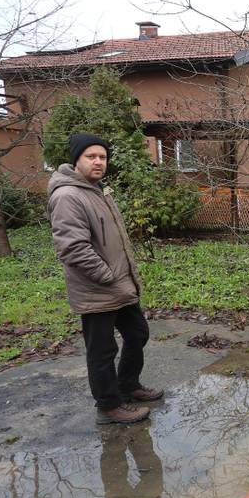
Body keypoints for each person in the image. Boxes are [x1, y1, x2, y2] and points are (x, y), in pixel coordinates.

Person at [47, 133, 163, 425]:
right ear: (76, 160)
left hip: (118, 286)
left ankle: (128, 385)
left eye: (103, 156)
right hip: (96, 290)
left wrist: (122, 277)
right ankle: (109, 406)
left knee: (138, 333)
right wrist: (107, 275)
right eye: (91, 156)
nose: (99, 162)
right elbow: (72, 248)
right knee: (101, 352)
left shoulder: (97, 190)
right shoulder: (67, 196)